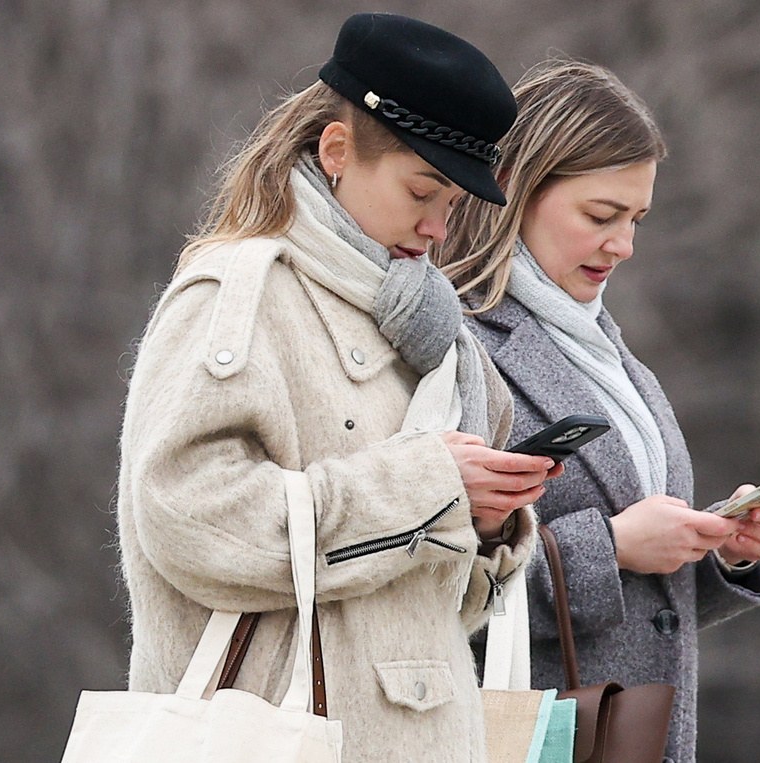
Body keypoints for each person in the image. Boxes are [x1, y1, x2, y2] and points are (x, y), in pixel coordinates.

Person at [115, 14, 559, 762]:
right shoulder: (238, 295)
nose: (437, 228)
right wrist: (428, 486)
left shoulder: (442, 340)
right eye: (422, 192)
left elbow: (438, 607)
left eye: (453, 205)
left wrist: (485, 521)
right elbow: (186, 518)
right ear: (337, 152)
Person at [437, 59, 760, 763]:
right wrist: (612, 547)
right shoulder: (453, 342)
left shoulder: (601, 348)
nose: (623, 245)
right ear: (516, 189)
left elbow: (647, 610)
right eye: (601, 216)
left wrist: (720, 547)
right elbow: (422, 578)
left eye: (636, 219)